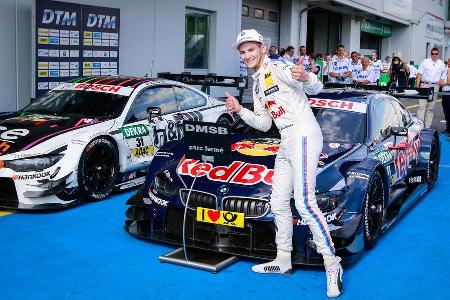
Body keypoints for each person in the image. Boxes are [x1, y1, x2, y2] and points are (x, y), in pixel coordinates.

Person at [226, 29, 343, 298]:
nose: (247, 56)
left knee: (304, 202)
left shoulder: (278, 67)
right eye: (243, 52)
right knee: (278, 202)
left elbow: (314, 87)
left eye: (251, 50)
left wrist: (308, 76)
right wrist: (239, 109)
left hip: (303, 133)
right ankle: (283, 259)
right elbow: (264, 123)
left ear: (263, 48)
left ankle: (332, 263)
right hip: (285, 139)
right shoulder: (257, 83)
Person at [416, 47, 447, 128]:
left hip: (434, 87)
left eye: (436, 54)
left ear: (438, 54)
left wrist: (439, 84)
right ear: (431, 54)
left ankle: (427, 126)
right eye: (432, 53)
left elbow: (443, 75)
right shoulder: (425, 62)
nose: (434, 55)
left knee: (430, 108)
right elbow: (419, 75)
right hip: (424, 85)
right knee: (421, 107)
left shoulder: (441, 64)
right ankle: (419, 126)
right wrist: (417, 87)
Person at [441, 58, 450, 135]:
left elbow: (449, 81)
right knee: (446, 112)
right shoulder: (445, 70)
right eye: (448, 62)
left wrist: (443, 83)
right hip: (444, 93)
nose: (448, 63)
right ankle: (448, 129)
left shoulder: (448, 70)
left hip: (449, 94)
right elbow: (441, 80)